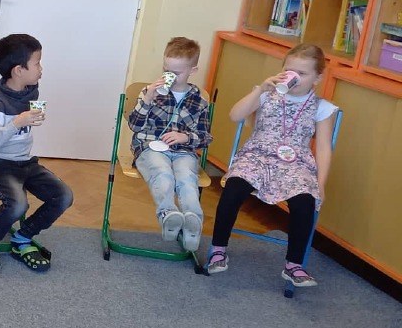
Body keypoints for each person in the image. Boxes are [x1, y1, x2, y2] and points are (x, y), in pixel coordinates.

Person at [207, 43, 336, 286]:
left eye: (302, 73)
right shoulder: (267, 93)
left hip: (295, 163)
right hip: (257, 155)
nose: (294, 77)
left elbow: (323, 148)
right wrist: (260, 90)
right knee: (234, 188)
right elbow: (235, 116)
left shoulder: (322, 108)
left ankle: (294, 265)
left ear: (318, 77)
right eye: (289, 70)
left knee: (305, 201)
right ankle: (218, 249)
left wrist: (320, 184)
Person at [0, 33, 74, 273]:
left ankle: (23, 237)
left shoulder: (30, 91)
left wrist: (29, 120)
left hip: (24, 163)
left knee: (63, 196)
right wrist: (17, 123)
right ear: (19, 70)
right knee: (18, 204)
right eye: (37, 63)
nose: (41, 68)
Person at [126, 36, 213, 252]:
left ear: (193, 70)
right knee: (162, 173)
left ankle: (192, 221)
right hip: (149, 147)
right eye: (166, 70)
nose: (170, 76)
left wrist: (185, 137)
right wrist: (147, 99)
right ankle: (168, 214)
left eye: (177, 72)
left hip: (183, 152)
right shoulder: (150, 92)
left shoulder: (199, 101)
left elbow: (205, 137)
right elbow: (134, 125)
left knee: (187, 178)